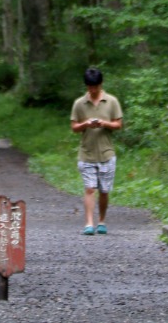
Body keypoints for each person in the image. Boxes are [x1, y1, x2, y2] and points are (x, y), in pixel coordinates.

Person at [70, 66, 123, 235]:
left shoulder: (111, 101)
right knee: (90, 188)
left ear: (101, 84)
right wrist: (85, 124)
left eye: (95, 86)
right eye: (90, 87)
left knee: (104, 190)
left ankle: (101, 220)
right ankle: (89, 223)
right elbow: (74, 127)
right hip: (86, 153)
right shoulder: (79, 104)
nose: (92, 90)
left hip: (107, 153)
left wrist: (103, 123)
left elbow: (118, 124)